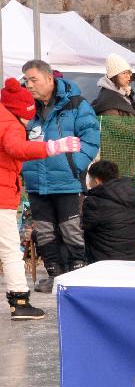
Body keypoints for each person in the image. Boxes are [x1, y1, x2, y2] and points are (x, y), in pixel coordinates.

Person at [0, 78, 80, 318]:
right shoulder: (11, 124)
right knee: (10, 249)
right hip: (1, 196)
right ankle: (20, 300)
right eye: (28, 115)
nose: (29, 121)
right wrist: (51, 147)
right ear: (21, 111)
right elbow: (16, 149)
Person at [21, 60, 100, 293]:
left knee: (70, 229)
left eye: (33, 79)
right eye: (26, 80)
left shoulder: (76, 104)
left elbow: (91, 137)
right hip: (36, 180)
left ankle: (77, 272)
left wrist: (75, 164)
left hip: (66, 180)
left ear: (49, 78)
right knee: (44, 231)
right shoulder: (26, 108)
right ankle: (54, 274)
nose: (29, 85)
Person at [81, 160, 135, 263]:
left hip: (104, 261)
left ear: (96, 181)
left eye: (90, 179)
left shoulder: (95, 202)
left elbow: (81, 227)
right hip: (132, 257)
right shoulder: (131, 196)